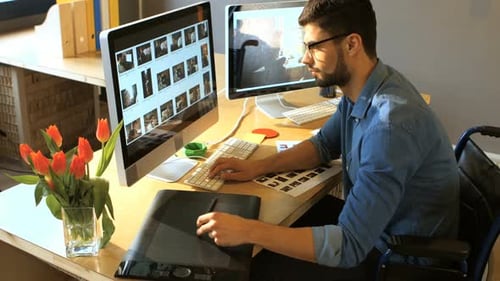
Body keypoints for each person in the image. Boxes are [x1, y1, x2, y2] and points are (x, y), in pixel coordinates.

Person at [196, 0, 459, 280]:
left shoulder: (390, 127)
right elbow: (323, 145)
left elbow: (348, 247)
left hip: (393, 261)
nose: (304, 58)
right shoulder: (367, 86)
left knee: (244, 268)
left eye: (314, 47)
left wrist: (249, 230)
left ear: (351, 44)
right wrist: (258, 167)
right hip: (375, 229)